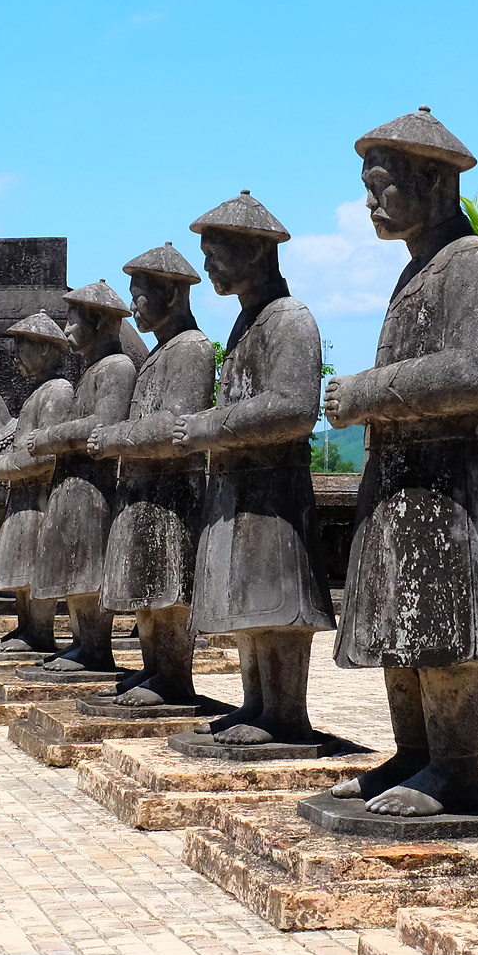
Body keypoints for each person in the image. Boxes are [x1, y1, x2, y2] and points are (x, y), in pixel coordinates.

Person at [322, 109, 478, 816]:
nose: (369, 203)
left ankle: (457, 766)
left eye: (381, 186)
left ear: (434, 182)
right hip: (400, 474)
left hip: (446, 478)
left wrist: (365, 394)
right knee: (400, 622)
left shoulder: (476, 265)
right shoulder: (418, 271)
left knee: (442, 622)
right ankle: (414, 754)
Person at [172, 193, 335, 747]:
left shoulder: (288, 319)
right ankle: (257, 704)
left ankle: (285, 712)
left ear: (257, 252)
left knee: (276, 604)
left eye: (217, 252)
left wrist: (208, 427)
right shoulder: (248, 321)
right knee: (247, 603)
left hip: (273, 485)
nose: (209, 264)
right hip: (239, 483)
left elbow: (292, 406)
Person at [87, 244, 216, 709]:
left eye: (141, 294)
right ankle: (154, 668)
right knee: (145, 588)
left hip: (172, 489)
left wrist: (115, 438)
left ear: (172, 295)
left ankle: (174, 677)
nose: (134, 305)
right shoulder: (161, 353)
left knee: (168, 591)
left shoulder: (191, 349)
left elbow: (175, 426)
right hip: (143, 487)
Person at [22, 281, 139, 675]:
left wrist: (50, 437)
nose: (67, 330)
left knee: (88, 571)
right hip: (73, 482)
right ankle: (81, 643)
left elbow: (104, 424)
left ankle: (94, 648)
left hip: (96, 484)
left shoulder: (117, 367)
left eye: (73, 322)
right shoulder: (91, 370)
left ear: (102, 322)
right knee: (73, 567)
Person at [0, 311, 73, 654]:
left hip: (40, 497)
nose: (16, 352)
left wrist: (8, 465)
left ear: (47, 350)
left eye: (24, 345)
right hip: (23, 497)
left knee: (33, 567)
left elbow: (49, 454)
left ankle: (39, 631)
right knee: (20, 566)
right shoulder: (39, 392)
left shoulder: (58, 392)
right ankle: (26, 628)